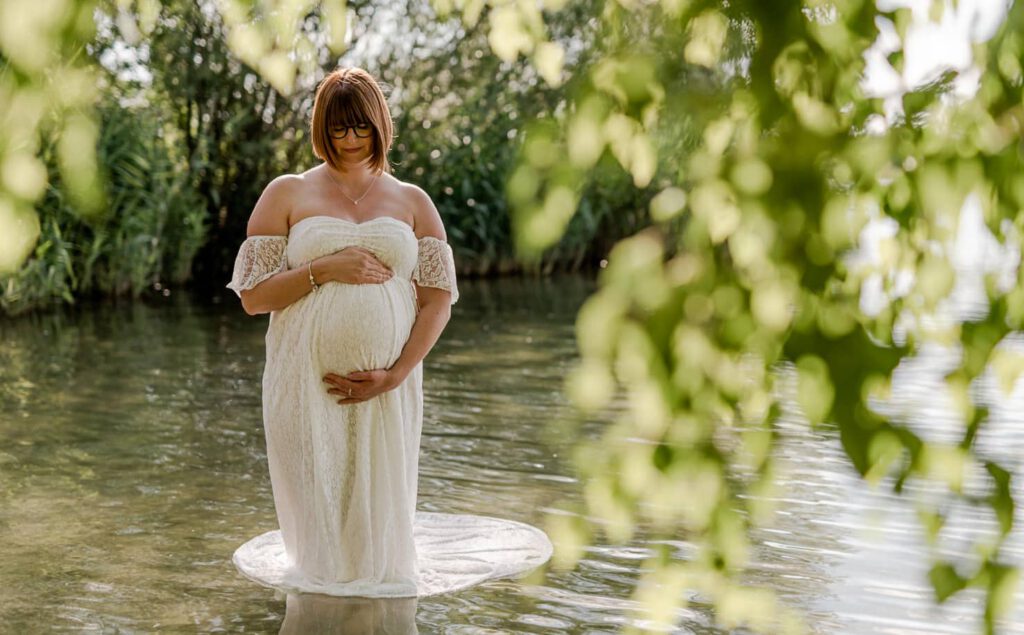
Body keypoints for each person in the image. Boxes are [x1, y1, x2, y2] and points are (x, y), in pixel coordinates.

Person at [226, 67, 551, 598]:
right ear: (321, 130)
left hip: (387, 386)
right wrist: (324, 268)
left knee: (375, 526)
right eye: (338, 130)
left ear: (380, 126)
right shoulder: (286, 193)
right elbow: (253, 297)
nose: (351, 142)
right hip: (303, 382)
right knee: (319, 529)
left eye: (362, 129)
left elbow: (438, 301)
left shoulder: (413, 201)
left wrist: (395, 375)